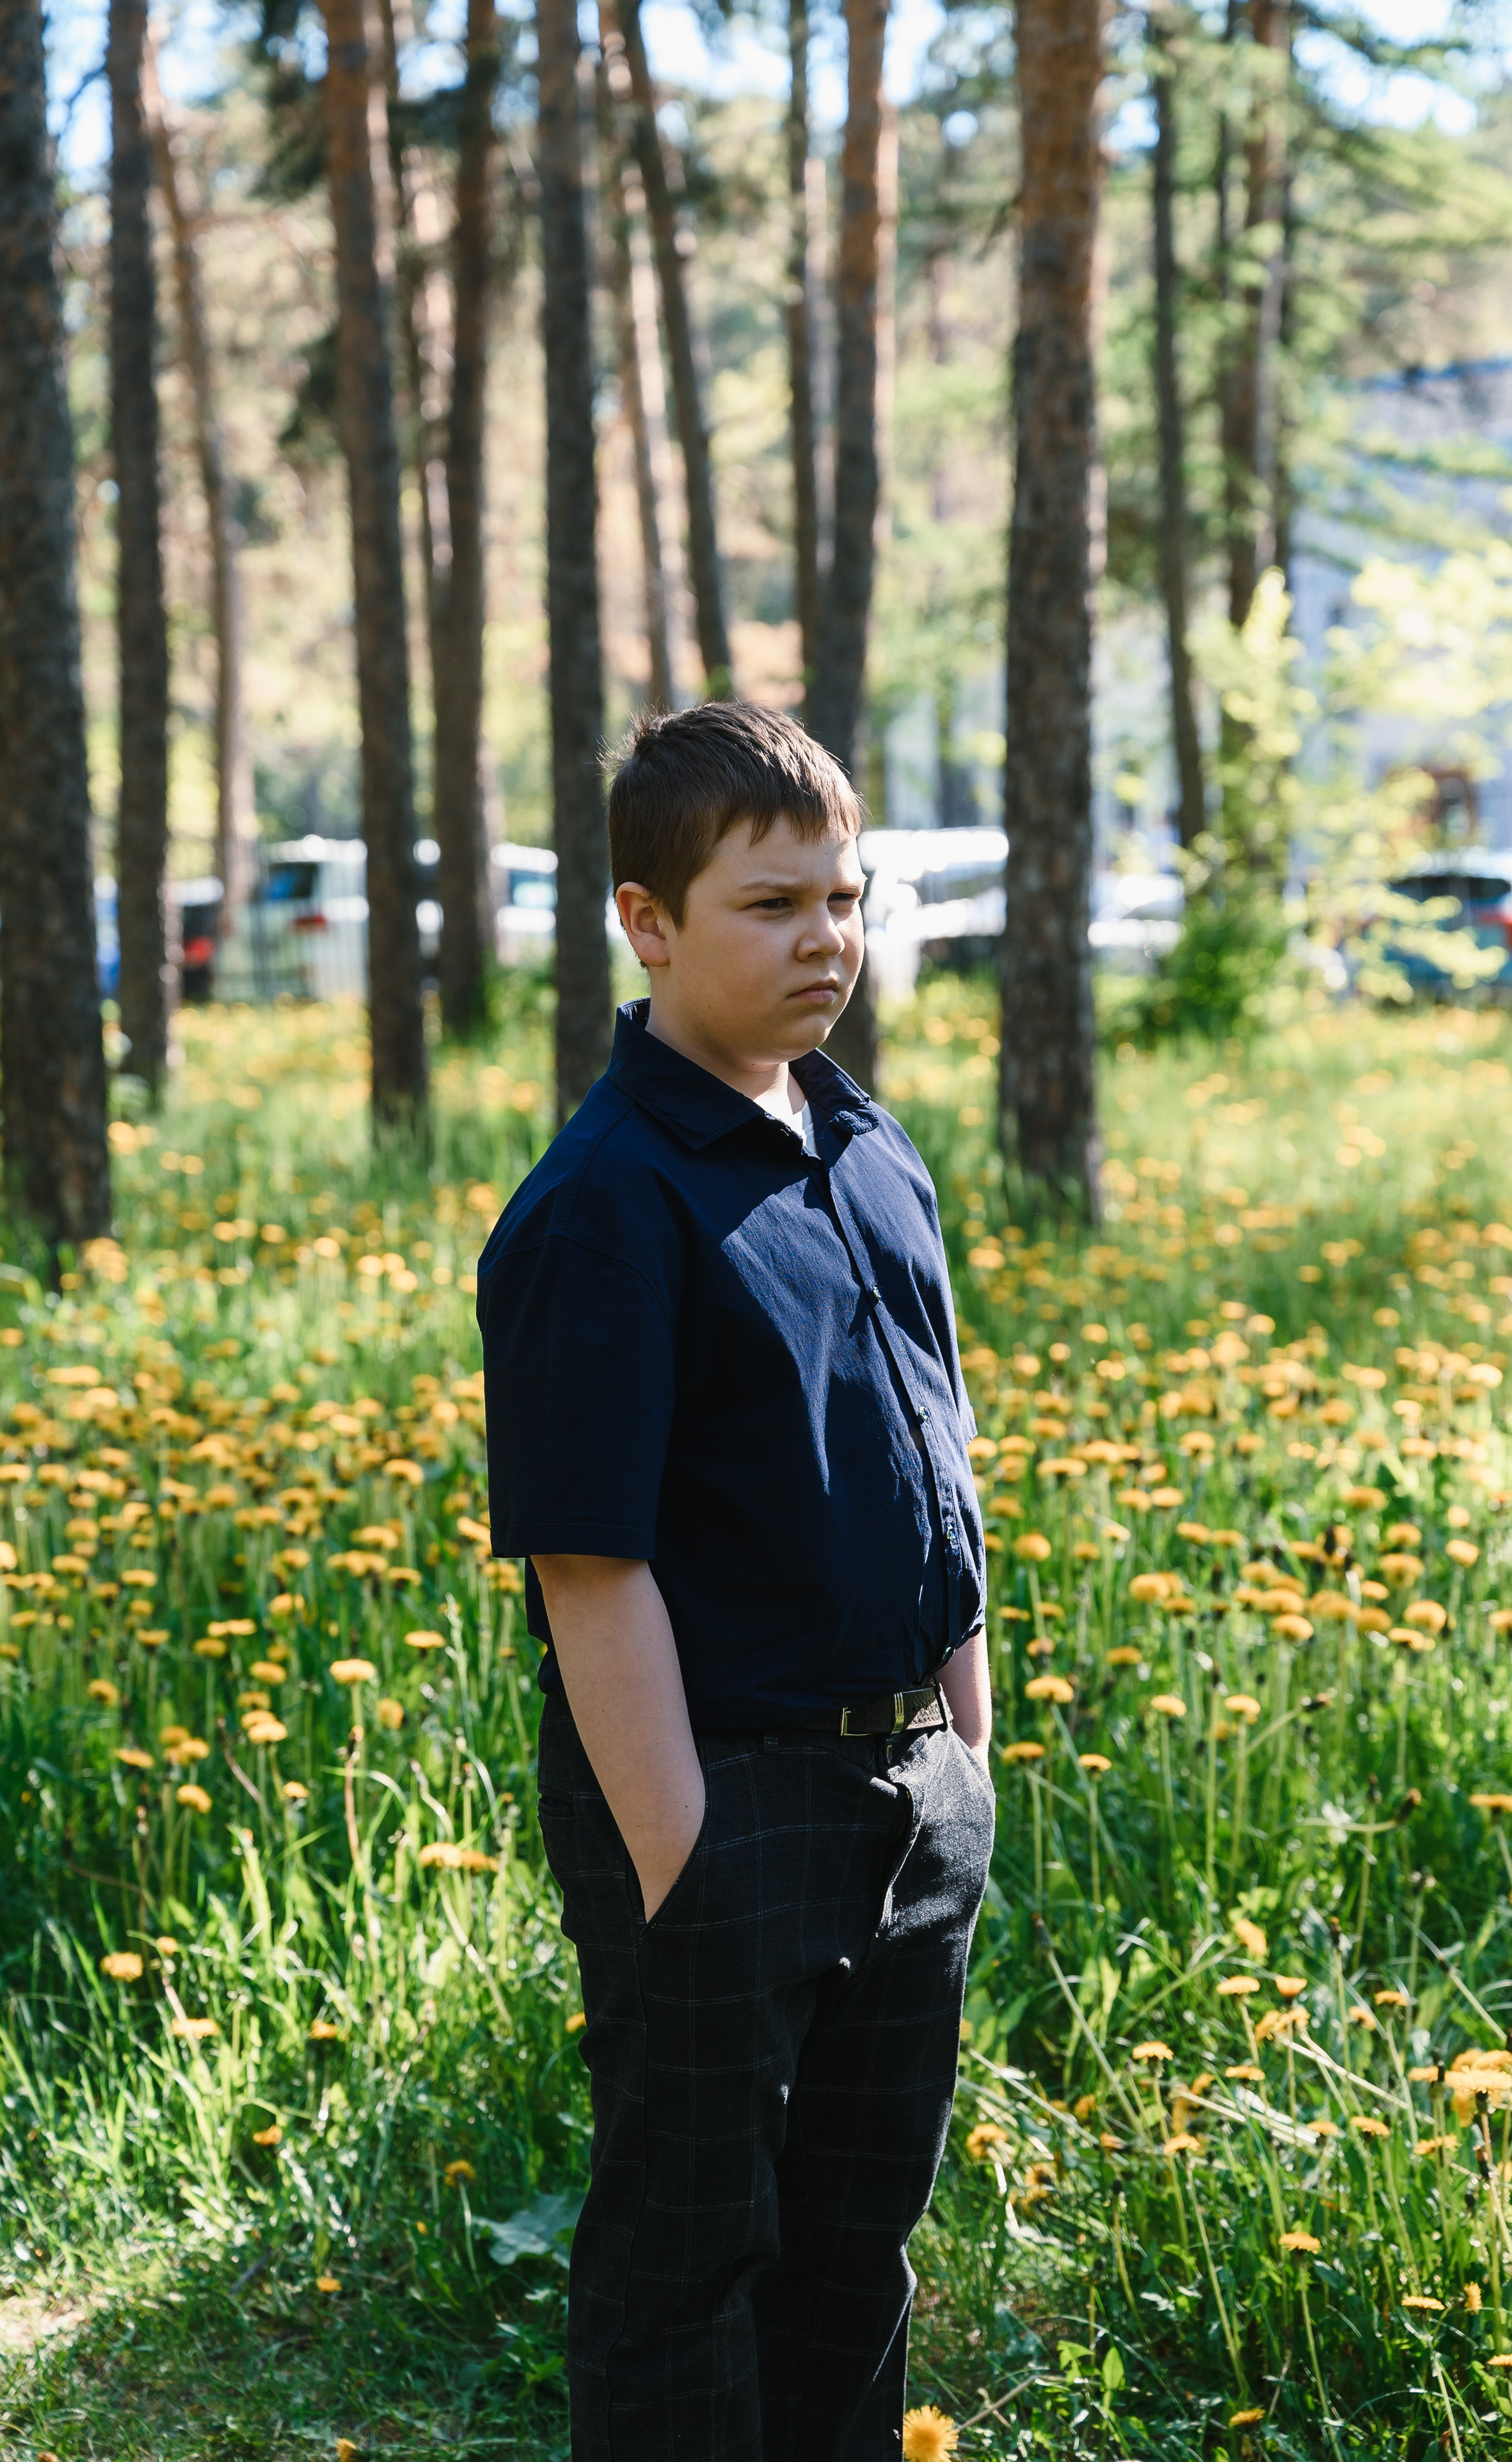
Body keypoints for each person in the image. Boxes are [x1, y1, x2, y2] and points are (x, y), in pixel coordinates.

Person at [477, 700, 994, 2460]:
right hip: (721, 1807)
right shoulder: (606, 1205)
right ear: (649, 920)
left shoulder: (865, 1146)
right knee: (690, 2264)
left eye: (845, 897)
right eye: (774, 905)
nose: (827, 940)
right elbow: (587, 1560)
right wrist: (681, 1851)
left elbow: (942, 1443)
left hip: (909, 1802)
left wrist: (965, 1749)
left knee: (857, 2248)